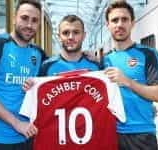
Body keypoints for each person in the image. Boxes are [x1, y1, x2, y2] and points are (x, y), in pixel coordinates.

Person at [21, 15, 126, 150]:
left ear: (84, 35)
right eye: (65, 33)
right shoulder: (46, 67)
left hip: (91, 143)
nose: (70, 37)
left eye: (76, 32)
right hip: (57, 143)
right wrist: (30, 87)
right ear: (59, 36)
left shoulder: (97, 67)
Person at [0, 0, 47, 150]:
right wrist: (16, 123)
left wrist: (85, 55)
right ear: (14, 18)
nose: (29, 25)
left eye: (35, 20)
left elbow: (50, 82)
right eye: (24, 18)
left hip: (25, 137)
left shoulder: (38, 53)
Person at [103, 1, 158, 150]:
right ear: (108, 25)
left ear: (133, 23)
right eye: (114, 20)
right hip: (110, 133)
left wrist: (127, 82)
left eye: (124, 19)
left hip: (141, 135)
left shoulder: (148, 54)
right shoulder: (104, 60)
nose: (119, 24)